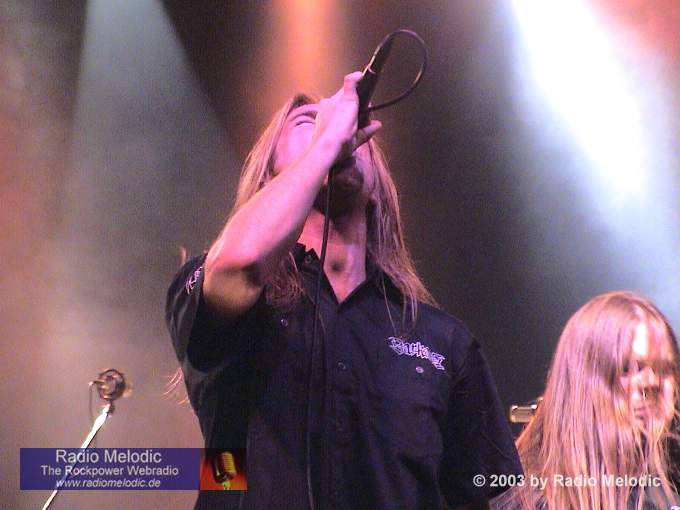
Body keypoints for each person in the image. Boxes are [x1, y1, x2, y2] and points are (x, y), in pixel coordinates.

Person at [166, 72, 521, 510]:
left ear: (378, 186)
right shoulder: (225, 291)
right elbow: (241, 262)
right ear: (270, 178)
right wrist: (325, 144)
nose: (340, 129)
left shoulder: (444, 341)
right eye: (306, 123)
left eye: (352, 128)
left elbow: (481, 496)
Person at [493, 291, 680, 510]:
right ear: (584, 383)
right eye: (628, 367)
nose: (652, 382)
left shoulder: (668, 479)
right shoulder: (529, 497)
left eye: (665, 368)